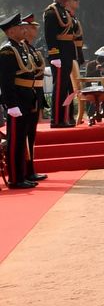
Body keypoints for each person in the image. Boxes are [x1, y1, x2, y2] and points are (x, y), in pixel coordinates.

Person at [1, 13, 46, 189]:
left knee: (24, 139)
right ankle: (15, 177)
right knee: (16, 140)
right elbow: (6, 81)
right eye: (20, 27)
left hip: (27, 97)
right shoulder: (7, 51)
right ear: (11, 31)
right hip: (17, 99)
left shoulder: (21, 48)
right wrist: (11, 105)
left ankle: (24, 174)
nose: (23, 30)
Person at [42, 0, 82, 128]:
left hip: (67, 52)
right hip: (59, 54)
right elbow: (50, 36)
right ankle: (57, 119)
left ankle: (66, 116)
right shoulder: (51, 12)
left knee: (67, 87)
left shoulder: (64, 11)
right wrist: (54, 55)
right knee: (59, 87)